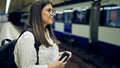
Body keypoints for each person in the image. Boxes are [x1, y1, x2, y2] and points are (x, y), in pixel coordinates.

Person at [14, 0, 72, 68]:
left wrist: (61, 55)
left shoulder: (47, 32)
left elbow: (44, 54)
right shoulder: (28, 37)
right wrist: (52, 66)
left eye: (53, 11)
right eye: (48, 10)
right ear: (38, 13)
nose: (53, 14)